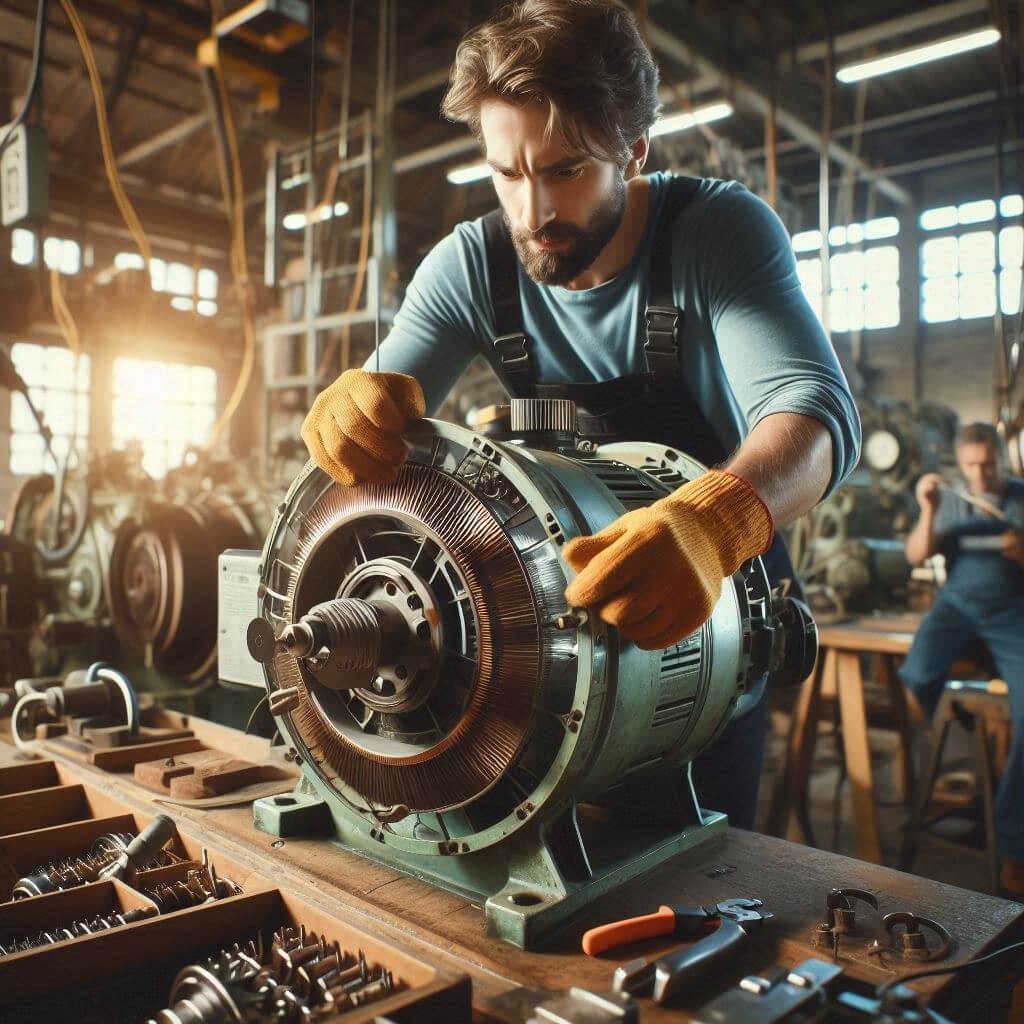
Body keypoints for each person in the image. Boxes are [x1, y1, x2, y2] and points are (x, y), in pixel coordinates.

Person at [302, 0, 860, 829]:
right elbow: (375, 414)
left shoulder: (717, 233)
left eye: (565, 170)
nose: (532, 212)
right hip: (549, 624)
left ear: (634, 151)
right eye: (506, 173)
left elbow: (814, 418)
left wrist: (716, 522)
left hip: (706, 603)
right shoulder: (472, 266)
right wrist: (354, 410)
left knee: (697, 861)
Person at [901, 422, 1024, 893]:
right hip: (955, 609)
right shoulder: (951, 499)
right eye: (972, 464)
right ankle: (970, 748)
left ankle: (1013, 843)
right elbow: (916, 555)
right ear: (961, 462)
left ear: (1001, 458)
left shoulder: (1019, 496)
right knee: (916, 674)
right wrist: (928, 508)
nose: (981, 473)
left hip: (1012, 612)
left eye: (988, 464)